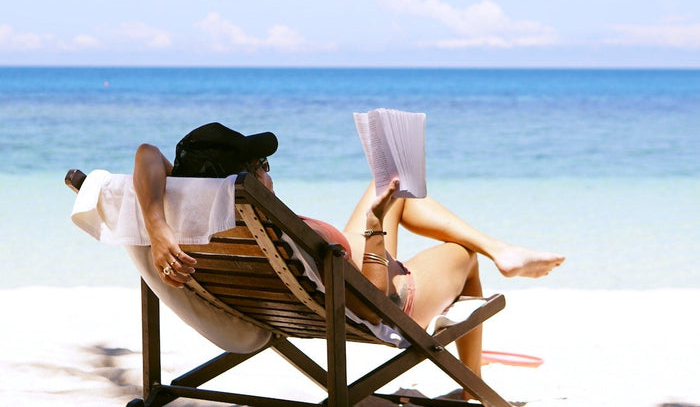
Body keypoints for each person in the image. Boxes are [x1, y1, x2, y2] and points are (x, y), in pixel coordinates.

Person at [132, 130, 564, 401]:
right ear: (245, 180)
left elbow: (147, 152)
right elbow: (376, 309)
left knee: (391, 185)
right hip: (370, 299)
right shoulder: (283, 227)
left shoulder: (183, 211)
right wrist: (373, 225)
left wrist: (157, 230)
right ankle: (474, 379)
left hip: (296, 289)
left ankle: (500, 250)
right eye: (261, 165)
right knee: (463, 255)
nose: (267, 171)